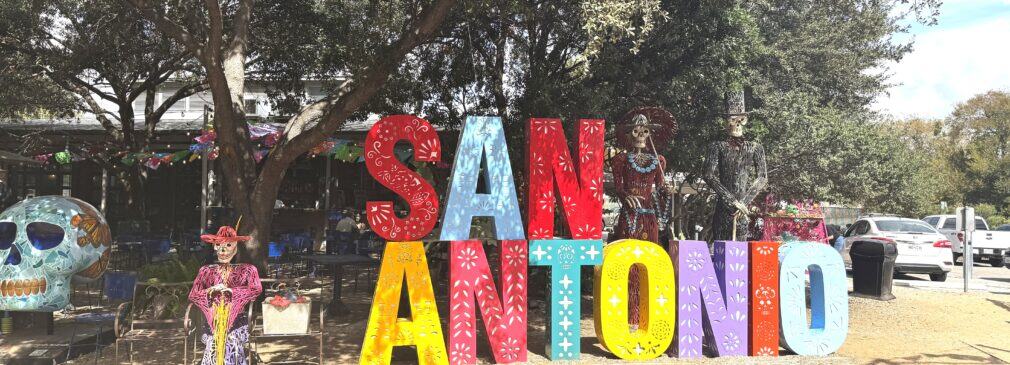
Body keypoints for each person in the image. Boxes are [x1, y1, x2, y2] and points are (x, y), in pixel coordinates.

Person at [609, 108, 675, 326]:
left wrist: (668, 190)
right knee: (628, 263)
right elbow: (618, 188)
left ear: (649, 134)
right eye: (636, 131)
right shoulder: (621, 160)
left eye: (644, 131)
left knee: (649, 262)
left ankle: (647, 315)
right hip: (629, 215)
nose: (640, 135)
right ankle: (629, 316)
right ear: (630, 134)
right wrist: (625, 196)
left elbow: (661, 188)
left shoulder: (658, 161)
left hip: (648, 216)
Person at [190, 226, 262, 365]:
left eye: (228, 245)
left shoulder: (247, 270)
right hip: (214, 322)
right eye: (219, 245)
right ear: (214, 247)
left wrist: (233, 292)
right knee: (213, 342)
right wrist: (210, 290)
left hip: (238, 321)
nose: (223, 250)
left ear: (235, 249)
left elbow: (256, 289)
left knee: (231, 341)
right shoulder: (206, 271)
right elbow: (194, 294)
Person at [704, 88, 767, 241]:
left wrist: (744, 202)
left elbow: (762, 178)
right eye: (732, 120)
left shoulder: (755, 148)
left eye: (741, 119)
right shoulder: (717, 147)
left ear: (745, 120)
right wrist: (731, 201)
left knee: (739, 255)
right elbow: (708, 175)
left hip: (742, 210)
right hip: (724, 209)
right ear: (726, 122)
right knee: (722, 250)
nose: (737, 124)